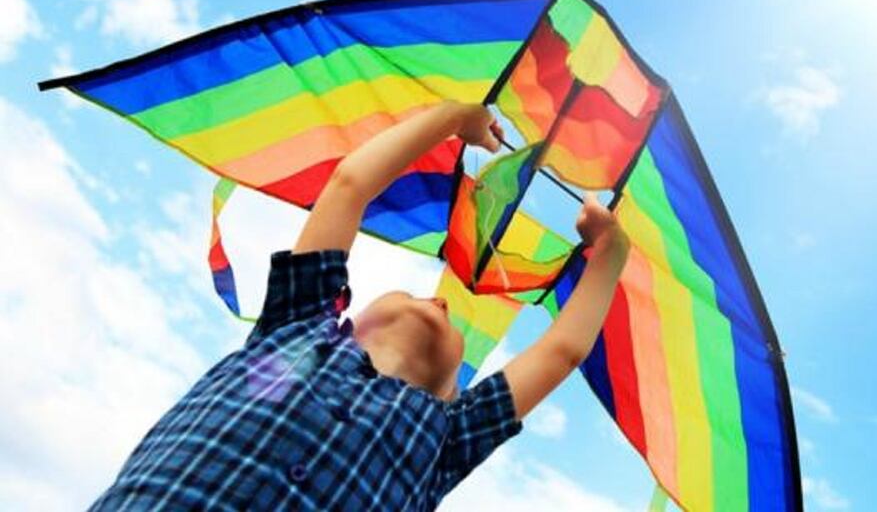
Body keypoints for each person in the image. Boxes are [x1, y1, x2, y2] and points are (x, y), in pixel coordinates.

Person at [90, 101, 630, 511]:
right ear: (350, 315)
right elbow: (350, 185)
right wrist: (453, 118)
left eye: (440, 307)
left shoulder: (448, 435)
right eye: (421, 294)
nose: (439, 298)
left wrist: (610, 256)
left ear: (451, 391)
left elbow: (563, 349)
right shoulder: (299, 324)